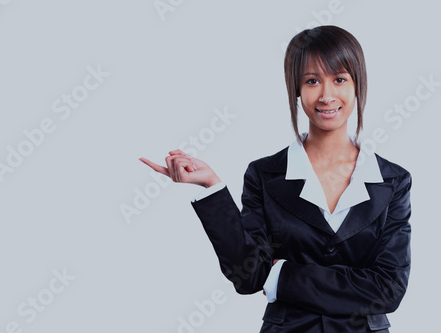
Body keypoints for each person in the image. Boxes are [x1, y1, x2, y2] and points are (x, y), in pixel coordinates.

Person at [139, 25, 411, 333]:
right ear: (296, 87)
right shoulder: (265, 174)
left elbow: (388, 289)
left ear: (357, 84)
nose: (326, 95)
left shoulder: (393, 180)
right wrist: (212, 188)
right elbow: (249, 277)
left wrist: (282, 275)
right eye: (312, 80)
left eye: (339, 79)